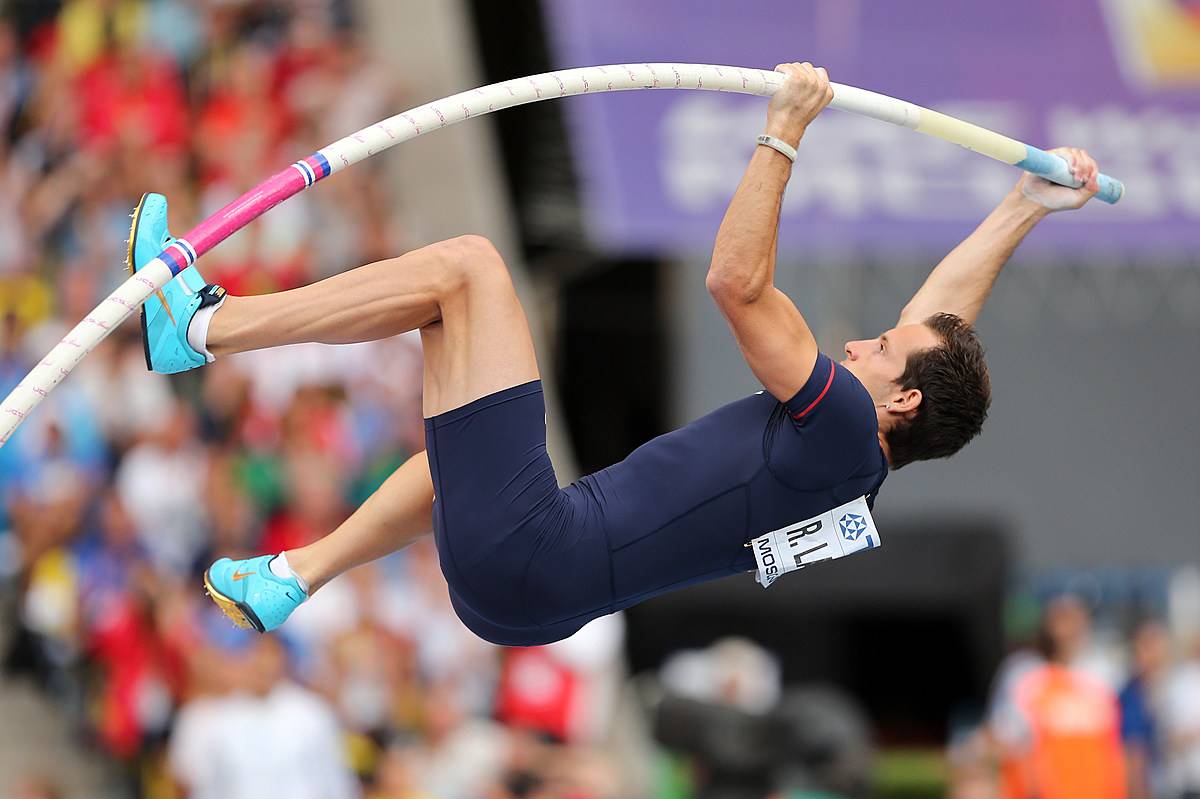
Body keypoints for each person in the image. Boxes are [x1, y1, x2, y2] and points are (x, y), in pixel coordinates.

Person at [127, 64, 1102, 646]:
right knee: (457, 462)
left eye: (880, 350)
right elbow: (941, 325)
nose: (862, 341)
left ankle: (202, 325)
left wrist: (784, 134)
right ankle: (293, 576)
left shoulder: (846, 425)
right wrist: (1023, 206)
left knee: (468, 271)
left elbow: (735, 282)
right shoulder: (857, 463)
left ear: (897, 404)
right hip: (530, 593)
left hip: (539, 556)